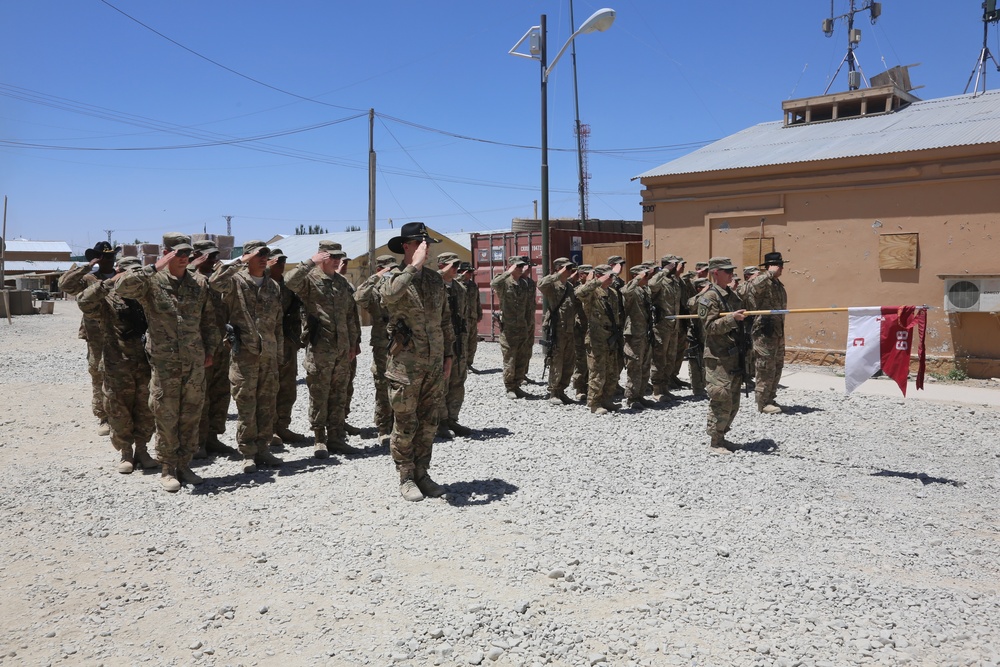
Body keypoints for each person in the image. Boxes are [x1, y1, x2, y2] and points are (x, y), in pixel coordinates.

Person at [116, 233, 216, 492]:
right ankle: (168, 468)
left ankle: (184, 464)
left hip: (194, 361)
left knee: (191, 414)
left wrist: (210, 349)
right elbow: (122, 288)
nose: (184, 258)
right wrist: (153, 267)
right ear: (167, 253)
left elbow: (208, 320)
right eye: (178, 253)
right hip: (165, 362)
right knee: (166, 414)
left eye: (187, 254)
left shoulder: (199, 283)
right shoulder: (152, 281)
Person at [378, 222, 455, 502]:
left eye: (429, 245)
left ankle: (423, 473)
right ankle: (406, 477)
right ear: (407, 246)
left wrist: (448, 356)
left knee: (429, 423)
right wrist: (413, 267)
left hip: (433, 364)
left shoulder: (435, 280)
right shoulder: (393, 277)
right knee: (406, 424)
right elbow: (387, 296)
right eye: (422, 245)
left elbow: (445, 320)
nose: (428, 249)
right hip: (405, 368)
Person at [76, 256, 157, 474]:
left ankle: (142, 450)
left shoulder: (147, 297)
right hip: (117, 365)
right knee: (119, 411)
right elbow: (84, 301)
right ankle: (126, 453)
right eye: (128, 274)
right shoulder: (107, 299)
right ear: (120, 272)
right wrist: (109, 283)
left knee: (145, 410)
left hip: (146, 364)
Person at [209, 240, 285, 473]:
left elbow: (277, 323)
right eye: (258, 254)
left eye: (266, 255)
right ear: (248, 256)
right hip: (245, 355)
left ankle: (263, 449)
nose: (263, 258)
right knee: (246, 405)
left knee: (266, 404)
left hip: (268, 355)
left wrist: (279, 353)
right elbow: (215, 282)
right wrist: (239, 261)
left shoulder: (273, 286)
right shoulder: (235, 281)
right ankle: (248, 452)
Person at [285, 241, 362, 458]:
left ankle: (336, 437)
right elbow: (288, 282)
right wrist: (310, 262)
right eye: (332, 257)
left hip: (342, 348)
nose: (337, 261)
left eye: (340, 257)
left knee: (339, 394)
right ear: (322, 256)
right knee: (319, 393)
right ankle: (319, 439)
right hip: (320, 348)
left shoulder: (342, 283)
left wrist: (354, 343)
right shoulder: (309, 280)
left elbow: (351, 316)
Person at [58, 241, 118, 436]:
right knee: (98, 373)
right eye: (104, 257)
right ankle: (103, 417)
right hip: (96, 335)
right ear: (97, 258)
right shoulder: (88, 278)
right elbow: (65, 285)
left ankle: (121, 415)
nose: (109, 260)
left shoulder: (121, 276)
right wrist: (88, 265)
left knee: (122, 374)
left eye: (111, 256)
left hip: (121, 333)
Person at [190, 239, 237, 458]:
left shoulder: (220, 277)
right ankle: (197, 441)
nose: (213, 260)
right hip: (198, 345)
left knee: (220, 392)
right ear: (197, 256)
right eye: (208, 256)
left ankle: (212, 437)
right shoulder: (189, 280)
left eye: (214, 256)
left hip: (221, 343)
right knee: (200, 394)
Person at [697, 257, 748, 453]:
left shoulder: (731, 296)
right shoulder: (709, 297)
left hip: (734, 355)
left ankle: (723, 435)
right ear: (715, 273)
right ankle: (715, 441)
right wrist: (731, 319)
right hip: (717, 357)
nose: (731, 274)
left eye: (732, 271)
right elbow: (709, 327)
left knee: (734, 399)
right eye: (727, 271)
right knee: (721, 398)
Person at [354, 254, 399, 442]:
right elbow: (358, 297)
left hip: (402, 342)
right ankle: (383, 428)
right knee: (382, 386)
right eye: (386, 269)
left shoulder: (398, 287)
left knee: (402, 385)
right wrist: (376, 277)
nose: (391, 272)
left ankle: (400, 425)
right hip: (382, 344)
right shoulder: (373, 290)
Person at [268, 247, 306, 444]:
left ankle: (282, 426)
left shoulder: (288, 285)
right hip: (268, 343)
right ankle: (269, 429)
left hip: (287, 341)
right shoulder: (262, 283)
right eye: (277, 261)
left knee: (288, 386)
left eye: (283, 261)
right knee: (269, 387)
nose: (281, 264)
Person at [744, 251, 789, 414]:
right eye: (780, 265)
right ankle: (762, 403)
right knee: (765, 368)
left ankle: (770, 398)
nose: (782, 268)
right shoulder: (762, 281)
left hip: (777, 332)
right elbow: (752, 286)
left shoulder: (777, 284)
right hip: (764, 333)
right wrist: (768, 273)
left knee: (776, 367)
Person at [575, 264, 622, 415]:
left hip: (611, 336)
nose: (611, 279)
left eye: (612, 276)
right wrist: (595, 281)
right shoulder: (592, 292)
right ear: (600, 276)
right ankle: (594, 403)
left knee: (611, 371)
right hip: (597, 337)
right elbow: (579, 293)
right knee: (597, 372)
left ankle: (607, 400)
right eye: (609, 276)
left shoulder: (613, 293)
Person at [436, 252, 473, 437]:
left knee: (458, 380)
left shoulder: (460, 288)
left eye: (457, 266)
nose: (456, 269)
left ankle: (452, 419)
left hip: (459, 339)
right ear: (441, 265)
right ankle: (440, 422)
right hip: (441, 340)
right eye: (452, 266)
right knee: (442, 381)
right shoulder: (434, 285)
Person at [490, 256, 537, 399]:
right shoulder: (504, 282)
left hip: (522, 326)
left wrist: (529, 325)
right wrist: (507, 272)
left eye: (521, 266)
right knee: (510, 359)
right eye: (518, 266)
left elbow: (529, 306)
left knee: (521, 358)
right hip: (509, 328)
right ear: (511, 267)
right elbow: (493, 283)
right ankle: (510, 387)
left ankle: (517, 384)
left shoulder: (523, 283)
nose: (521, 269)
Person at [537, 257, 579, 405]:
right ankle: (553, 392)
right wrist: (558, 274)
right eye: (566, 268)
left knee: (569, 361)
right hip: (557, 328)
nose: (569, 271)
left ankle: (562, 390)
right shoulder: (553, 285)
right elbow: (541, 284)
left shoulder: (568, 286)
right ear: (559, 268)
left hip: (569, 328)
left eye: (569, 268)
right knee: (557, 360)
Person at [622, 263, 656, 409]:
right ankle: (631, 398)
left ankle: (640, 395)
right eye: (645, 275)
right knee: (635, 366)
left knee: (645, 365)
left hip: (645, 332)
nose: (648, 277)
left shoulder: (645, 290)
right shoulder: (632, 290)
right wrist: (637, 279)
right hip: (634, 333)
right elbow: (625, 291)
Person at [648, 255, 681, 401]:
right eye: (676, 265)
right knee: (659, 359)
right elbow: (652, 285)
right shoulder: (660, 280)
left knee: (670, 358)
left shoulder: (675, 282)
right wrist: (664, 271)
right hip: (661, 326)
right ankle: (656, 390)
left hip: (674, 326)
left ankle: (665, 387)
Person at [337, 256, 364, 436]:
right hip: (327, 347)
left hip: (348, 344)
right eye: (339, 261)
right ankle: (324, 430)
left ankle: (341, 421)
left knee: (347, 385)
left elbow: (353, 317)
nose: (343, 265)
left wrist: (356, 342)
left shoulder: (347, 286)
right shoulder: (317, 283)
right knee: (327, 389)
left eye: (346, 262)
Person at [570, 264, 592, 400]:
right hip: (580, 328)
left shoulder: (594, 287)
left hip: (592, 328)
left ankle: (591, 386)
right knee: (580, 360)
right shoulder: (577, 288)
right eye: (586, 273)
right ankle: (580, 387)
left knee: (592, 359)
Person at [458, 263, 483, 373]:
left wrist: (479, 313)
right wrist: (460, 278)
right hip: (462, 318)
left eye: (471, 272)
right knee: (463, 342)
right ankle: (463, 365)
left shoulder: (473, 285)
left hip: (472, 317)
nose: (470, 274)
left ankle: (469, 363)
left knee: (472, 342)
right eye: (468, 272)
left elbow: (477, 301)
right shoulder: (457, 284)